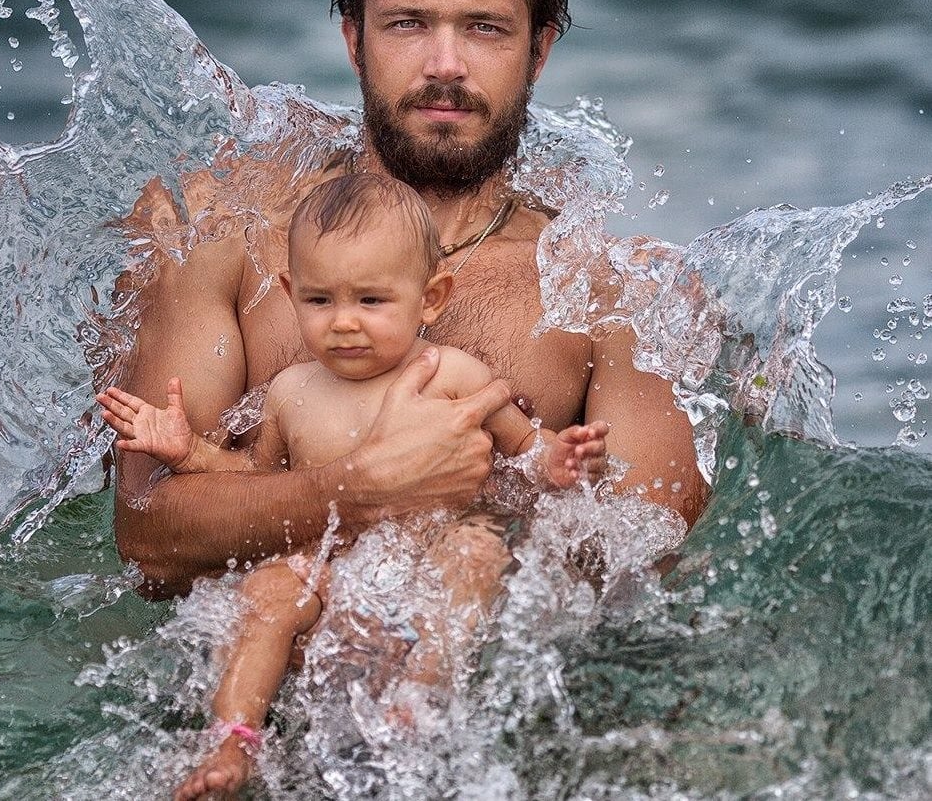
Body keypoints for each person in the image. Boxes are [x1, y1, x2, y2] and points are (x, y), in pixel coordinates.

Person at [113, 0, 707, 603]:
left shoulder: (613, 298)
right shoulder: (230, 235)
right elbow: (147, 538)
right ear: (356, 40)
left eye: (485, 28)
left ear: (539, 51)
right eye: (408, 24)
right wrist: (363, 492)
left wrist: (489, 498)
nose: (446, 64)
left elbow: (645, 563)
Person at [99, 174, 609, 799]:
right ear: (290, 294)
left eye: (371, 301)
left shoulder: (451, 373)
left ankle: (422, 695)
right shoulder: (291, 393)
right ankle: (233, 740)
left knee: (476, 551)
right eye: (319, 302)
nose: (344, 323)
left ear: (431, 298)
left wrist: (557, 460)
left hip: (429, 559)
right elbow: (265, 485)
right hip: (335, 569)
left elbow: (522, 452)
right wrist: (192, 452)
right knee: (267, 589)